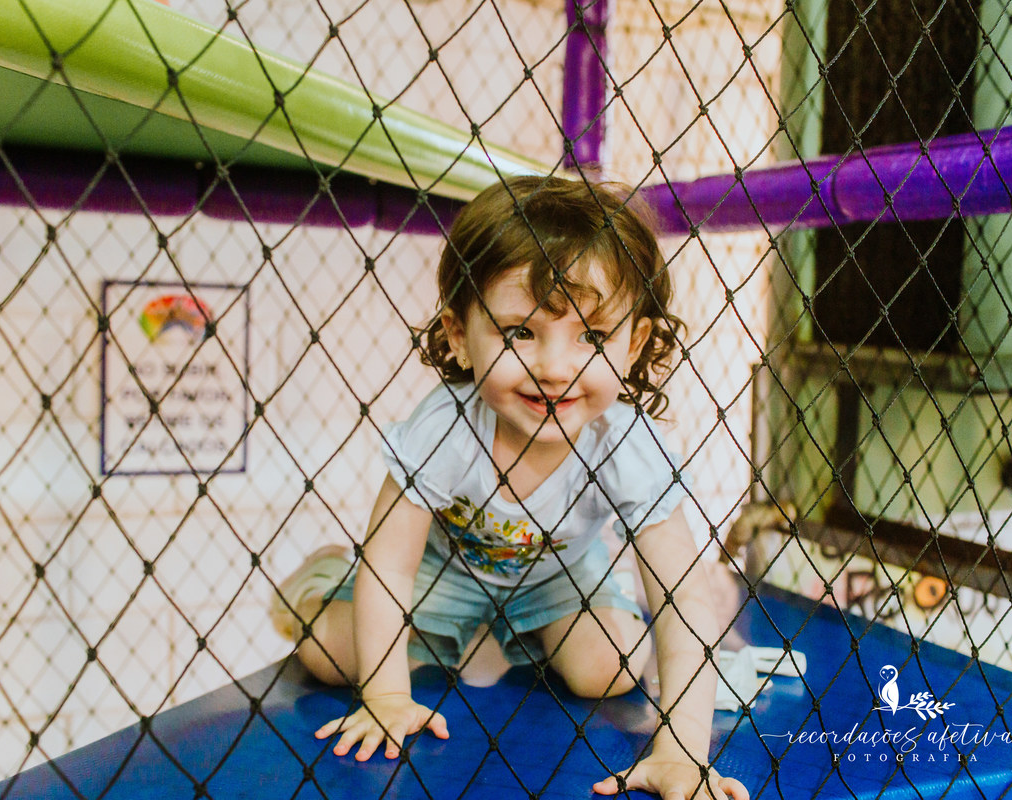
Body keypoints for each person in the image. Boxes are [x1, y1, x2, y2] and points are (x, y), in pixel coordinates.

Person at [273, 175, 748, 800]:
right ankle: (319, 582)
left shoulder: (628, 445)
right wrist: (386, 698)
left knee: (613, 670)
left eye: (594, 336)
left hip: (561, 575)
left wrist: (682, 750)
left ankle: (512, 636)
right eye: (520, 333)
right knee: (329, 656)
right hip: (443, 571)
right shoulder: (444, 428)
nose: (554, 368)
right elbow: (390, 565)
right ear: (457, 336)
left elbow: (679, 595)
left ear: (634, 345)